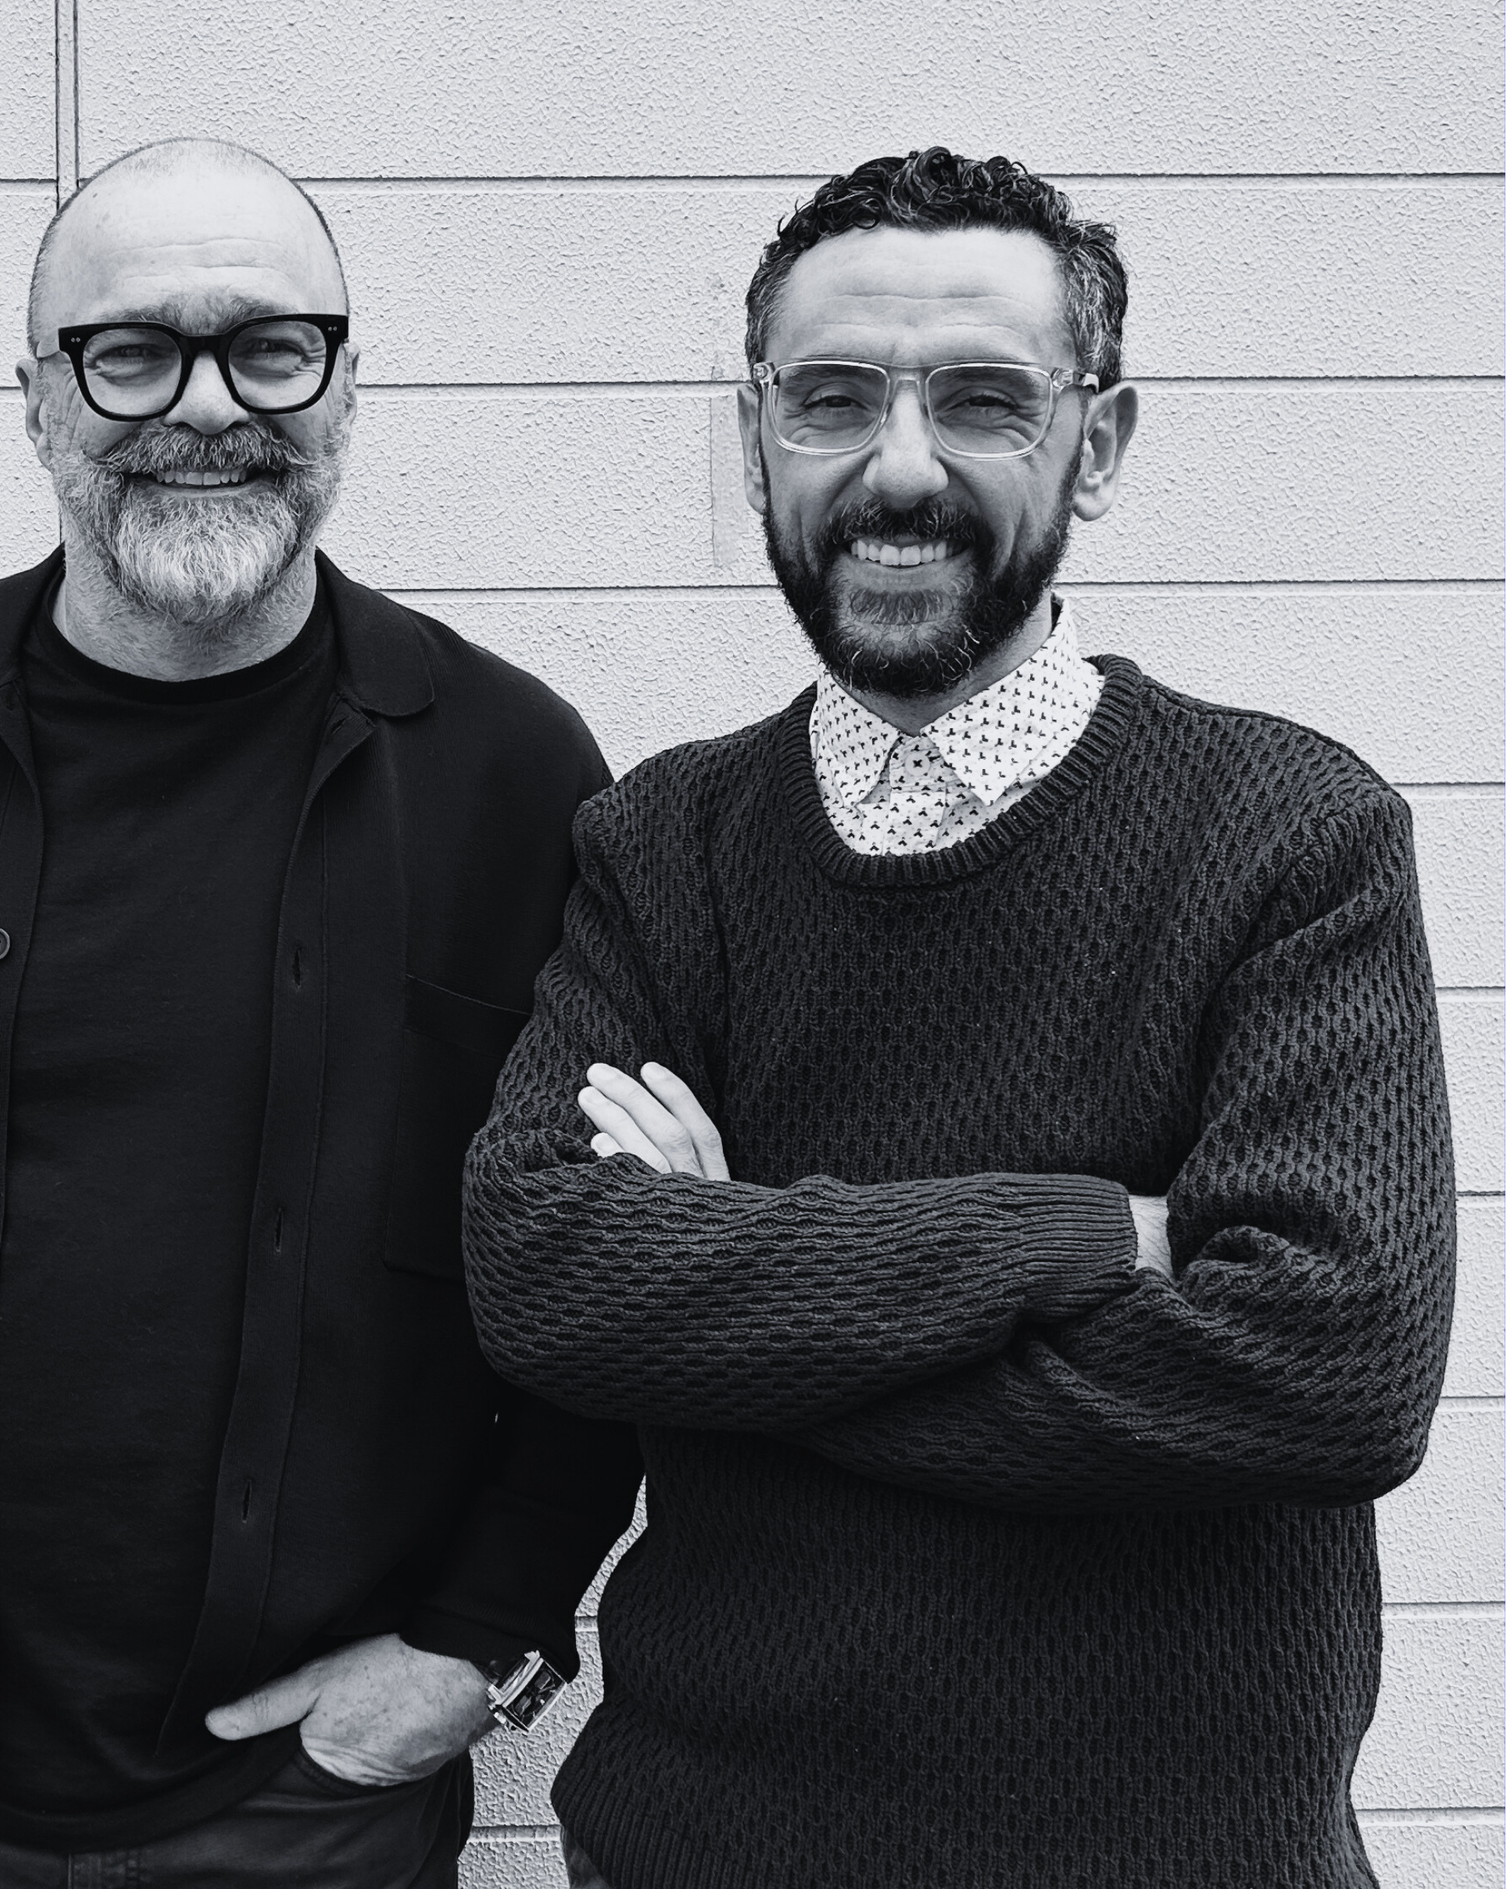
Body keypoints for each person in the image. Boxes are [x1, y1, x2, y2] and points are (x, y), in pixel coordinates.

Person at [462, 149, 1456, 1889]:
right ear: (756, 431)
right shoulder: (663, 846)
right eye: (833, 398)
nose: (899, 466)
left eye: (983, 400)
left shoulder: (1294, 835)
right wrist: (1078, 1234)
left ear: (1103, 439)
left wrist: (734, 1298)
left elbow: (1331, 1374)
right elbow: (547, 1271)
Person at [0, 139, 642, 1886]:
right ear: (34, 393)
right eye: (131, 350)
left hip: (305, 1812)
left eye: (269, 347)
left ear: (349, 378)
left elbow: (593, 1270)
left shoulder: (512, 768)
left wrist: (485, 1645)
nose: (206, 407)